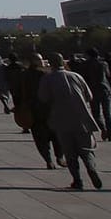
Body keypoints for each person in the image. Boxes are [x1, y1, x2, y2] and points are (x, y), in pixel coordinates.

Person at [39, 51, 103, 190]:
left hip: (62, 120)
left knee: (70, 153)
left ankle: (77, 180)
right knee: (87, 150)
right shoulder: (76, 76)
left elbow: (43, 98)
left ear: (50, 64)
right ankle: (91, 169)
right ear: (63, 62)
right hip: (82, 119)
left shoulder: (47, 79)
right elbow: (89, 96)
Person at [13, 53, 56, 170]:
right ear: (35, 61)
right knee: (55, 135)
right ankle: (59, 156)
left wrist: (17, 107)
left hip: (31, 110)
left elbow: (16, 92)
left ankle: (48, 160)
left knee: (39, 138)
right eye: (40, 60)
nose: (43, 62)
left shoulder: (23, 75)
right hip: (47, 110)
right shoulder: (45, 75)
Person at [75, 50, 111, 141]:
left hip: (93, 90)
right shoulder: (103, 64)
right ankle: (110, 134)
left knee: (96, 113)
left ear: (89, 55)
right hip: (105, 89)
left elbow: (82, 77)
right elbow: (108, 75)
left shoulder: (85, 64)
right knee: (107, 113)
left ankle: (103, 128)